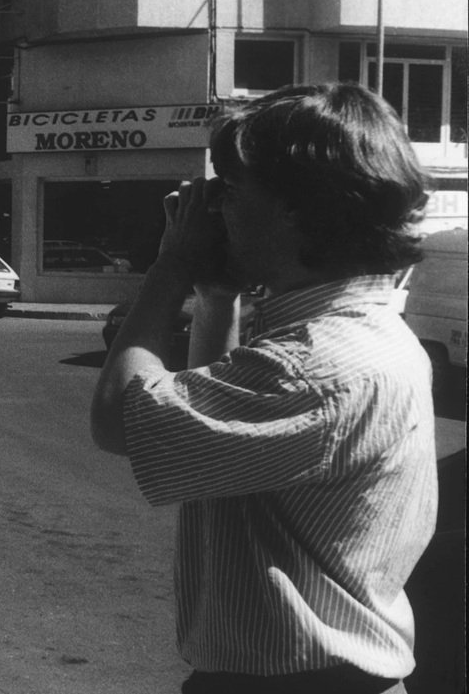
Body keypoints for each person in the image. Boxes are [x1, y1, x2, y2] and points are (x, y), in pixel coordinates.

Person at [89, 82, 437, 694]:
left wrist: (170, 268)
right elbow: (208, 416)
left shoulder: (314, 365)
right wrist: (216, 296)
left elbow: (121, 417)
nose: (214, 208)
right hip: (330, 674)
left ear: (299, 208)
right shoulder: (360, 331)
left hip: (297, 681)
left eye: (232, 191)